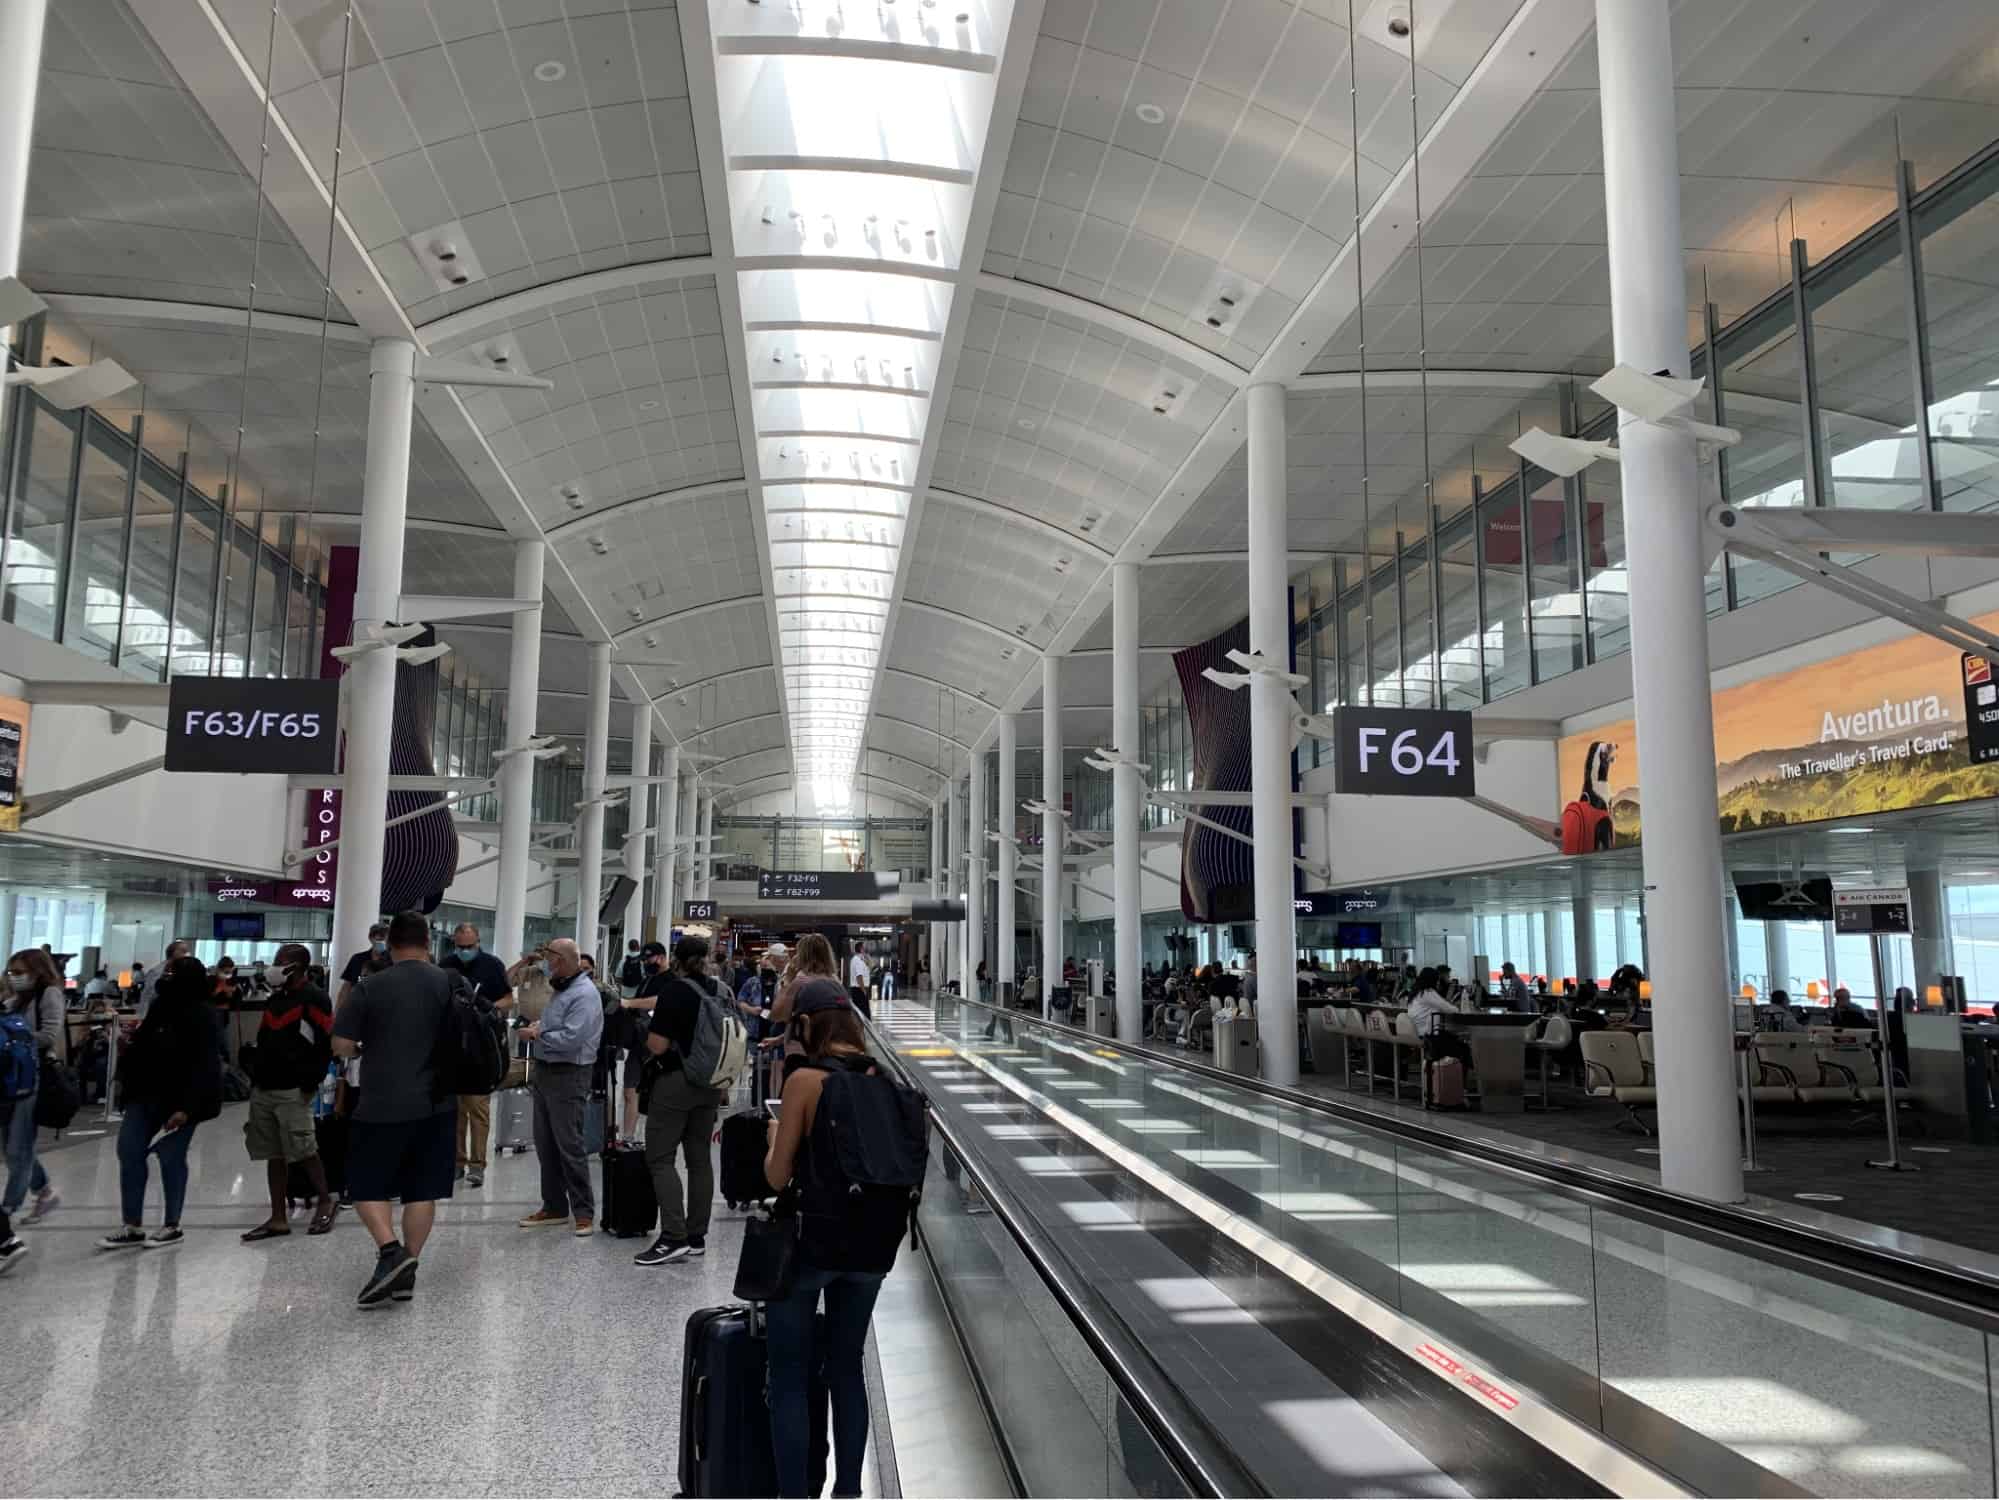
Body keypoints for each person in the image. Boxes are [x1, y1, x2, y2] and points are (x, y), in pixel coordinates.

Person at [762, 984, 911, 1499]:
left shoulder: (806, 1081)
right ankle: (848, 1490)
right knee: (847, 1368)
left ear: (807, 1026)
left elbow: (778, 1178)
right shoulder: (888, 1083)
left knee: (788, 1373)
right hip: (872, 1248)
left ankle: (794, 1494)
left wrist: (772, 1140)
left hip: (810, 1244)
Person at [330, 911, 459, 1305]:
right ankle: (409, 1266)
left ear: (389, 942)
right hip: (438, 1101)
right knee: (422, 1189)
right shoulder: (449, 983)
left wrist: (370, 1046)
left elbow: (341, 1045)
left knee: (367, 1183)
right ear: (428, 942)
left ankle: (391, 1252)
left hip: (381, 1101)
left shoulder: (371, 986)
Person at [99, 955, 221, 1251]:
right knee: (129, 1152)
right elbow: (145, 1046)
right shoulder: (160, 1006)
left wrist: (186, 1108)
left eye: (172, 973)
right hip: (144, 1094)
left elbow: (204, 1064)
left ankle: (172, 1224)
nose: (167, 978)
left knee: (170, 1158)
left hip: (181, 1100)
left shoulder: (203, 1014)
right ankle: (132, 1224)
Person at [632, 934, 732, 1267]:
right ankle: (695, 1237)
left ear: (676, 958)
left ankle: (672, 1237)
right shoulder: (721, 990)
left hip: (676, 1081)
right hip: (711, 1083)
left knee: (660, 1158)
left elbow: (659, 1046)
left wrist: (645, 1032)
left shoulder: (675, 991)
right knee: (699, 1159)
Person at [240, 944, 337, 1241]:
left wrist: (310, 1081)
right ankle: (278, 1216)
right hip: (266, 1085)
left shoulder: (315, 999)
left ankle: (324, 1199)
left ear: (297, 966)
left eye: (281, 962)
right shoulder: (276, 999)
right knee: (274, 1153)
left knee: (303, 1147)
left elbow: (324, 1043)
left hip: (294, 1087)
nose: (275, 966)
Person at [516, 938, 603, 1235]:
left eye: (548, 956)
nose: (544, 961)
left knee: (570, 1145)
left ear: (562, 960)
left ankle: (583, 1212)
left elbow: (571, 1039)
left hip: (569, 1073)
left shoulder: (584, 994)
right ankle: (553, 1206)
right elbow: (556, 1025)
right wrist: (540, 1027)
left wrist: (536, 1036)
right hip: (546, 1071)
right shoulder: (561, 988)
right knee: (546, 1144)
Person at [0, 948, 67, 1267]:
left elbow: (49, 1035)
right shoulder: (17, 1000)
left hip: (34, 1078)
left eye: (19, 971)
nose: (15, 977)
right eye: (11, 971)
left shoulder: (49, 995)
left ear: (37, 970)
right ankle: (43, 1190)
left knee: (17, 1150)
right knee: (16, 1145)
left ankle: (6, 1212)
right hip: (11, 1080)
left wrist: (16, 1036)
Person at [440, 922, 512, 1189]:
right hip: (454, 1048)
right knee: (455, 1110)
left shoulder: (492, 965)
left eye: (469, 946)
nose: (465, 951)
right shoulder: (446, 965)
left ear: (478, 942)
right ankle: (457, 1162)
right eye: (460, 946)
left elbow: (508, 999)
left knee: (478, 1108)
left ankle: (477, 1165)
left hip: (482, 1049)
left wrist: (487, 1008)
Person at [337, 922, 390, 1008]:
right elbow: (346, 987)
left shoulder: (393, 961)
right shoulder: (357, 959)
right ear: (370, 938)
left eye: (385, 939)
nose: (382, 943)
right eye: (378, 939)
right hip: (358, 1008)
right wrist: (337, 1012)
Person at [139, 939, 190, 1017]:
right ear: (174, 952)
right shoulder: (157, 971)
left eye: (186, 951)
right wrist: (144, 1017)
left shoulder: (184, 971)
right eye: (183, 951)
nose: (187, 954)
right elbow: (148, 996)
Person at [846, 941, 872, 1018]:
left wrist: (867, 958)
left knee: (863, 1013)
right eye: (865, 947)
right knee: (864, 1014)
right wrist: (864, 991)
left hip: (860, 989)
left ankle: (863, 1029)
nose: (867, 948)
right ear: (861, 949)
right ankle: (863, 1029)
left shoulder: (861, 959)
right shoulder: (857, 960)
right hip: (859, 990)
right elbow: (859, 977)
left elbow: (871, 966)